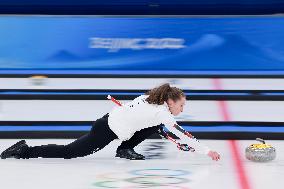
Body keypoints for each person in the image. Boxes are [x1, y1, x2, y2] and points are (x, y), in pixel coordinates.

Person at [0, 83, 220, 161]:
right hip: (105, 131)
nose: (182, 109)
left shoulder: (149, 98)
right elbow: (183, 133)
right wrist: (206, 150)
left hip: (108, 122)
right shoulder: (163, 113)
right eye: (181, 105)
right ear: (170, 101)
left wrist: (164, 132)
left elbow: (151, 122)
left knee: (155, 126)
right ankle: (24, 151)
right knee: (69, 152)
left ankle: (124, 149)